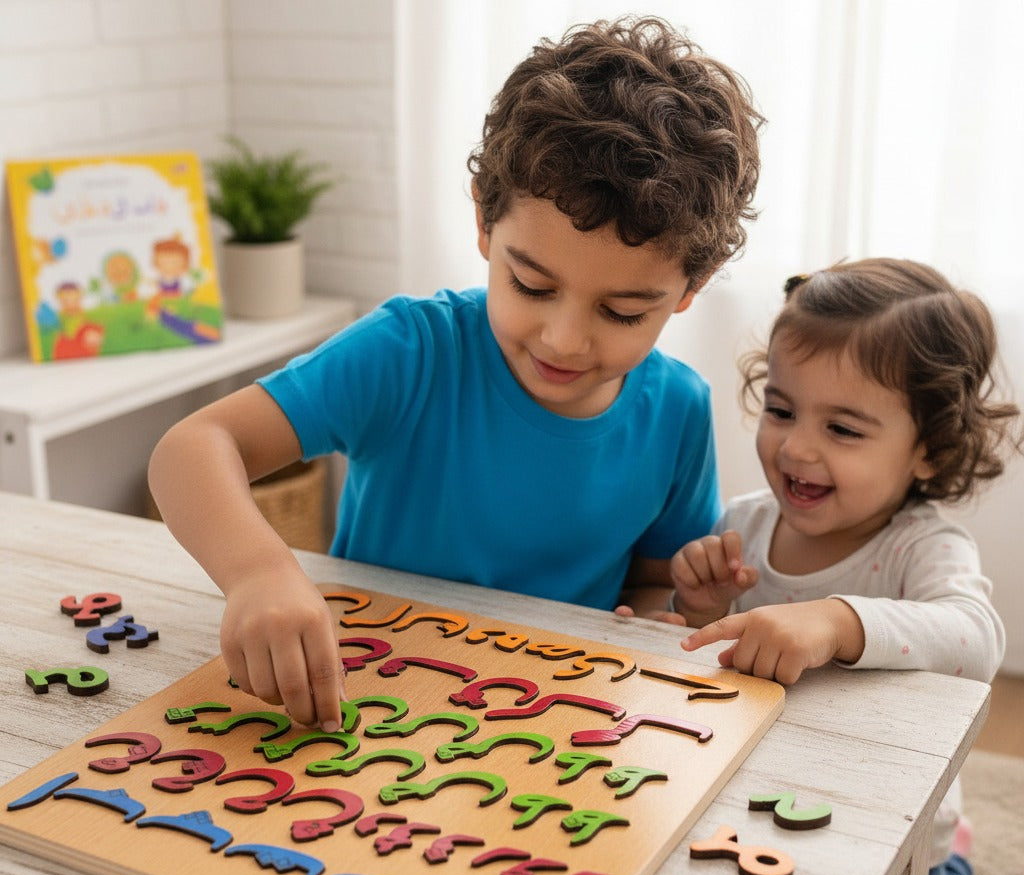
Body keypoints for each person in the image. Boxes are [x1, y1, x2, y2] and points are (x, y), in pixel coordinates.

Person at [148, 16, 763, 735]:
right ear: (484, 222)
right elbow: (191, 449)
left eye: (622, 312)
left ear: (692, 285)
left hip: (555, 727)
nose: (564, 340)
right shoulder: (410, 351)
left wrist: (668, 612)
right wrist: (259, 573)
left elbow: (654, 580)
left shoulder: (679, 410)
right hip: (361, 707)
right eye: (531, 285)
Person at [668, 258, 1021, 875]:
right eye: (782, 409)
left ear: (929, 448)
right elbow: (714, 661)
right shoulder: (744, 523)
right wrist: (698, 606)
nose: (796, 448)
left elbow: (977, 639)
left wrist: (837, 620)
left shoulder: (922, 548)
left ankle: (959, 867)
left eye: (842, 429)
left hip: (894, 840)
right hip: (763, 807)